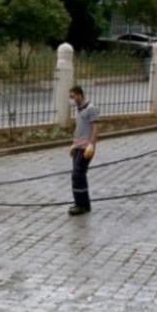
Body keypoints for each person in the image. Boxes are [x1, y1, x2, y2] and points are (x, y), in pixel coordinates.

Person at [67, 85, 99, 216]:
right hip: (78, 147)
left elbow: (95, 128)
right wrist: (74, 144)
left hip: (86, 148)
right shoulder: (78, 109)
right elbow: (79, 129)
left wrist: (91, 144)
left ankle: (82, 205)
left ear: (80, 95)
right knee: (77, 176)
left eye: (73, 96)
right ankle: (81, 202)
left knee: (78, 175)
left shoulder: (91, 109)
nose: (71, 99)